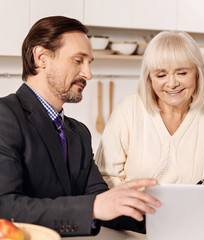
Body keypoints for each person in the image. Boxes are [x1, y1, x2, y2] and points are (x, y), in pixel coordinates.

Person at [0, 16, 161, 237]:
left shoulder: (78, 133)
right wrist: (93, 207)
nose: (88, 74)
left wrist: (157, 213)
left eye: (89, 63)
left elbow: (102, 202)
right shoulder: (4, 115)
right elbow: (5, 207)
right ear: (41, 58)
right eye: (78, 60)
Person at [95, 31, 204, 188]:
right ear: (149, 78)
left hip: (193, 212)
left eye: (182, 73)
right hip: (131, 211)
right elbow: (105, 175)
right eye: (161, 75)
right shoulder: (128, 111)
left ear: (197, 73)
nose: (172, 83)